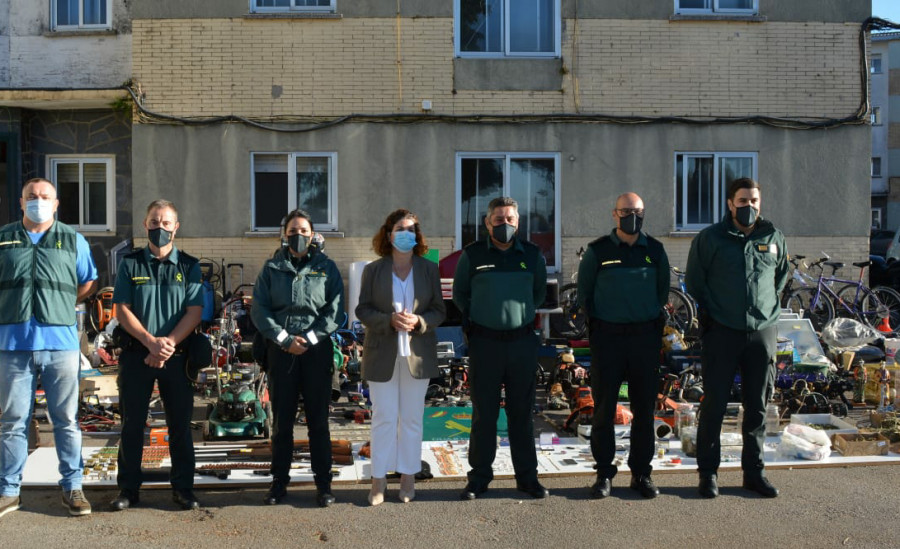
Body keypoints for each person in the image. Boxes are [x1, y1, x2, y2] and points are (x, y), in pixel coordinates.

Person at [0, 178, 98, 518]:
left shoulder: (73, 240)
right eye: (32, 196)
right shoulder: (3, 239)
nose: (37, 201)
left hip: (60, 344)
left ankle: (73, 488)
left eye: (44, 197)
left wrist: (60, 303)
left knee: (66, 420)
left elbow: (87, 281)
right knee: (13, 421)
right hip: (13, 345)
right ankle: (9, 491)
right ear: (21, 201)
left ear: (56, 204)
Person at [686, 177, 788, 499]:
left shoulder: (773, 237)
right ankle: (708, 474)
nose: (749, 207)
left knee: (757, 407)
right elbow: (695, 282)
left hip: (762, 333)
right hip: (723, 332)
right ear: (730, 204)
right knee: (714, 405)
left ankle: (754, 473)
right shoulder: (710, 238)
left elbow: (781, 277)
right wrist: (715, 316)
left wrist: (765, 312)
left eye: (754, 200)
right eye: (743, 201)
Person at [110, 199, 203, 511]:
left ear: (176, 227)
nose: (159, 227)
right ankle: (128, 490)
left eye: (166, 223)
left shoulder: (189, 266)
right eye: (154, 221)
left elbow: (194, 312)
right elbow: (121, 309)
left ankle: (183, 489)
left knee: (179, 426)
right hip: (138, 355)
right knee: (132, 426)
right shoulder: (130, 264)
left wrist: (166, 346)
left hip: (176, 358)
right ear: (145, 224)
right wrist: (150, 342)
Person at [452, 197, 548, 500]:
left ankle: (527, 478)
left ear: (517, 222)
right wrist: (485, 319)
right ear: (487, 222)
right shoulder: (473, 255)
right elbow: (460, 295)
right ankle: (479, 478)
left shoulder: (532, 256)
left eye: (509, 219)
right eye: (498, 219)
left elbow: (538, 294)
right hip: (485, 344)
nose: (504, 224)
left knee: (521, 414)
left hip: (521, 344)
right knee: (485, 415)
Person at [577, 192, 669, 499]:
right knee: (604, 409)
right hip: (608, 339)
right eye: (627, 211)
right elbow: (585, 293)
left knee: (644, 410)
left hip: (644, 339)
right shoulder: (598, 251)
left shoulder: (654, 250)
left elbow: (661, 293)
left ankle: (641, 473)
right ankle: (604, 473)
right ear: (614, 214)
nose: (633, 216)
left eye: (638, 211)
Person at [251, 209, 345, 508]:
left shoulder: (326, 267)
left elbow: (336, 311)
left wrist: (313, 338)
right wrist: (284, 339)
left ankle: (323, 484)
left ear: (313, 234)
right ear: (284, 234)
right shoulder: (271, 268)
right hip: (281, 353)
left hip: (316, 354)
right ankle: (279, 483)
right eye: (293, 230)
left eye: (304, 230)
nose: (299, 236)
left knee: (318, 422)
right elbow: (260, 310)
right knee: (282, 423)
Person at [356, 209, 446, 505]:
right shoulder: (373, 270)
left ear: (417, 236)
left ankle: (408, 477)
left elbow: (439, 311)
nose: (405, 233)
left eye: (411, 229)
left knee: (411, 419)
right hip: (382, 352)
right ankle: (378, 481)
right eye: (399, 228)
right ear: (388, 233)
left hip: (417, 356)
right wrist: (388, 320)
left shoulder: (429, 269)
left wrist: (419, 322)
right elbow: (363, 310)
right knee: (383, 418)